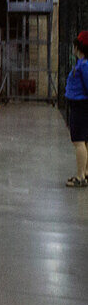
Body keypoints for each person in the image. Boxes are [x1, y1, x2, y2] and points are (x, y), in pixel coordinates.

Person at [63, 30, 88, 187]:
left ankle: (80, 177)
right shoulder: (82, 64)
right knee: (84, 142)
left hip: (81, 107)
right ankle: (85, 172)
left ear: (78, 47)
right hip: (81, 106)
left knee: (79, 142)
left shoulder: (84, 65)